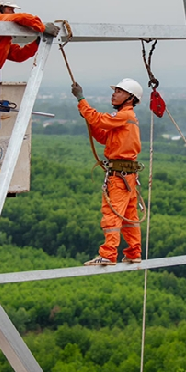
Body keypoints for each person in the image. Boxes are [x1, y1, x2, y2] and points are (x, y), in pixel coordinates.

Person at [71, 78, 144, 266]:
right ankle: (134, 252)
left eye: (119, 91)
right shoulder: (125, 119)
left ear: (130, 98)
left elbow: (99, 119)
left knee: (112, 214)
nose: (114, 93)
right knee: (129, 216)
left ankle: (108, 254)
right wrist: (90, 120)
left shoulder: (124, 116)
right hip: (127, 176)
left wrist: (81, 99)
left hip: (120, 177)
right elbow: (104, 136)